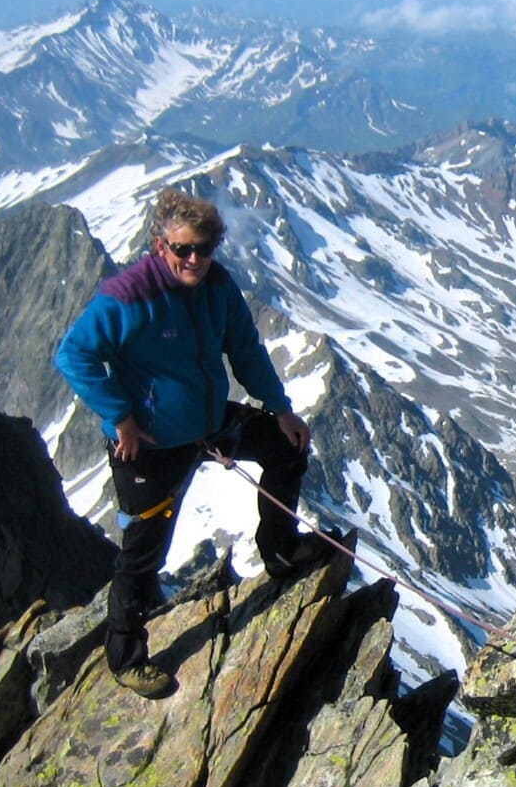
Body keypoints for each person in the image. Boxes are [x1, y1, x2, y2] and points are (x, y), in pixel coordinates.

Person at [56, 188, 323, 698]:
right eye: (183, 249)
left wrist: (280, 409)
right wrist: (122, 419)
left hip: (207, 424)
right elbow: (74, 356)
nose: (194, 259)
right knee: (143, 552)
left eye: (203, 248)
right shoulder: (129, 295)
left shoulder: (217, 286)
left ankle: (281, 550)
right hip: (151, 443)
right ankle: (126, 658)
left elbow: (244, 348)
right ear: (161, 245)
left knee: (286, 447)